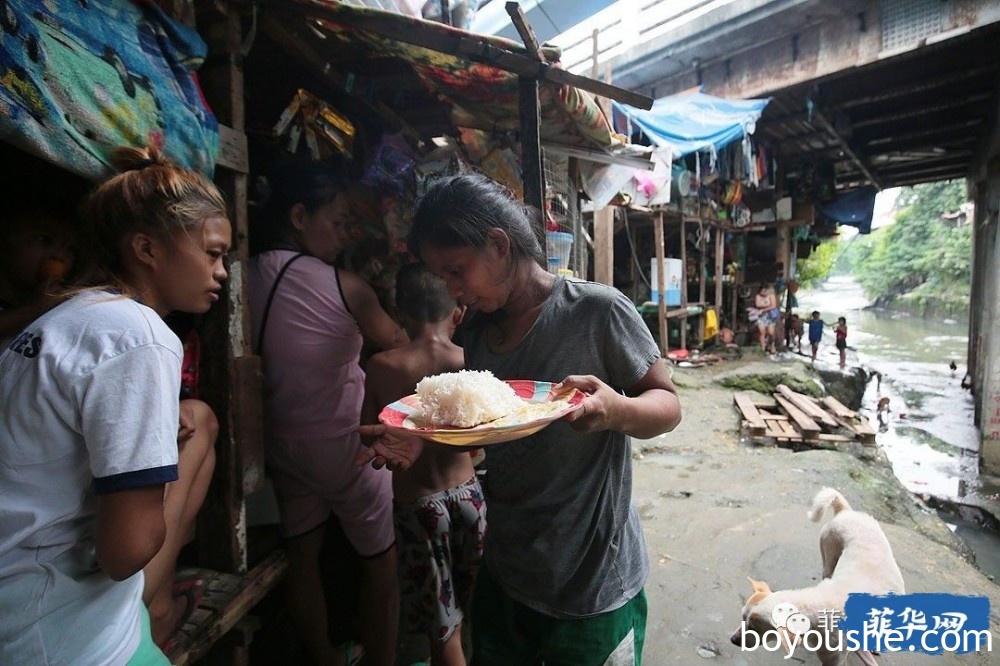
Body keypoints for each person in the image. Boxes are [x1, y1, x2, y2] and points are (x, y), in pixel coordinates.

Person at [358, 172, 682, 665]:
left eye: (456, 270)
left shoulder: (596, 311)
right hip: (507, 571)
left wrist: (617, 411)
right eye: (441, 276)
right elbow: (484, 434)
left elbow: (667, 404)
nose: (451, 290)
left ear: (498, 245)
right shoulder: (479, 336)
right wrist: (425, 440)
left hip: (591, 581)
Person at [0, 144, 231, 664]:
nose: (221, 272)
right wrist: (155, 473)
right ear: (147, 249)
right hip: (63, 635)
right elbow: (126, 551)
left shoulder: (66, 317)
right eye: (212, 253)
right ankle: (162, 605)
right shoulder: (139, 335)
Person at [249, 157, 408, 666]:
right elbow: (399, 346)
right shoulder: (344, 284)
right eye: (337, 222)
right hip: (346, 449)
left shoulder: (242, 272)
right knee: (381, 564)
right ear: (299, 216)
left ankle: (324, 655)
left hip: (281, 446)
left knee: (303, 558)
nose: (344, 235)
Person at [361, 263, 485, 666]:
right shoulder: (469, 360)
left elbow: (373, 431)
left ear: (399, 313)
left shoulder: (381, 366)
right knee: (471, 613)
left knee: (442, 631)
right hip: (471, 498)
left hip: (420, 508)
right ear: (458, 313)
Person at [753, 283, 778, 354]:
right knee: (762, 332)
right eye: (762, 291)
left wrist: (763, 308)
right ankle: (763, 347)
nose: (763, 293)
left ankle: (772, 345)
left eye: (765, 291)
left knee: (771, 332)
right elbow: (757, 304)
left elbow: (773, 305)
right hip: (761, 317)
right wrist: (768, 305)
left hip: (770, 316)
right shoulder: (758, 296)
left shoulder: (771, 295)